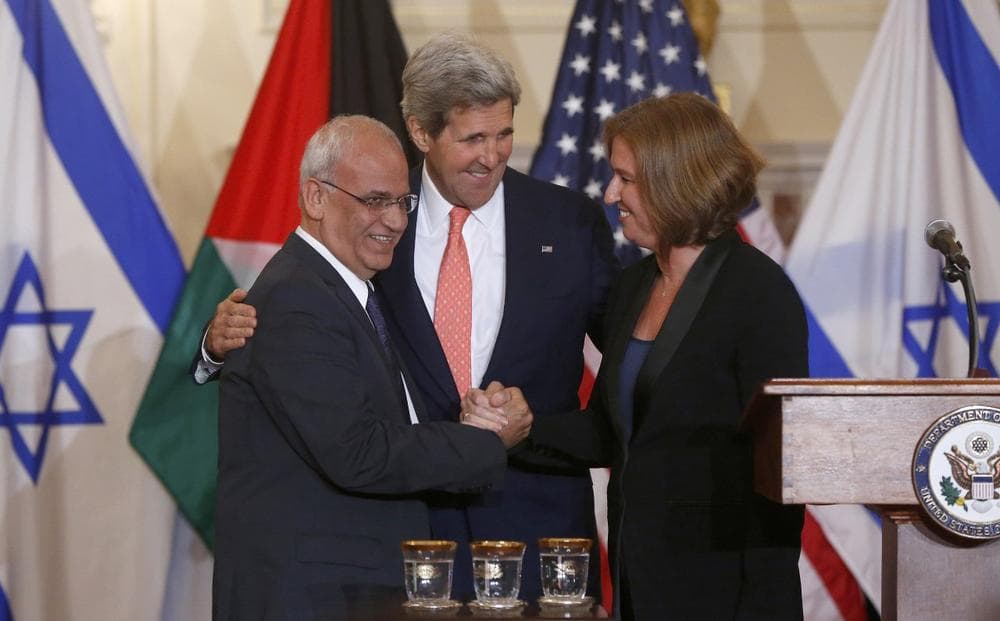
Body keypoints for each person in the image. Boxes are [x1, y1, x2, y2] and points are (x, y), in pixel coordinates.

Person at [200, 33, 619, 603]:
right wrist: (214, 345)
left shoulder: (568, 222)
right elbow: (304, 328)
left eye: (503, 134)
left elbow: (626, 363)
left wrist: (542, 433)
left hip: (537, 528)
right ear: (422, 132)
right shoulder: (371, 221)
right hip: (405, 536)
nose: (492, 155)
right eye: (472, 138)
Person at [469, 93, 808, 620]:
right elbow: (613, 432)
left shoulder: (758, 293)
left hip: (725, 589)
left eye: (626, 179)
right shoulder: (633, 286)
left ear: (676, 181)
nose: (610, 195)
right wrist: (521, 425)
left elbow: (781, 466)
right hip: (640, 577)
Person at [212, 115, 530, 620]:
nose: (396, 221)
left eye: (402, 202)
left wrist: (473, 419)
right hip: (312, 597)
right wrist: (487, 441)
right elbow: (357, 452)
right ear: (316, 198)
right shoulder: (299, 299)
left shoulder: (346, 291)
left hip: (343, 588)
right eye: (375, 200)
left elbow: (383, 423)